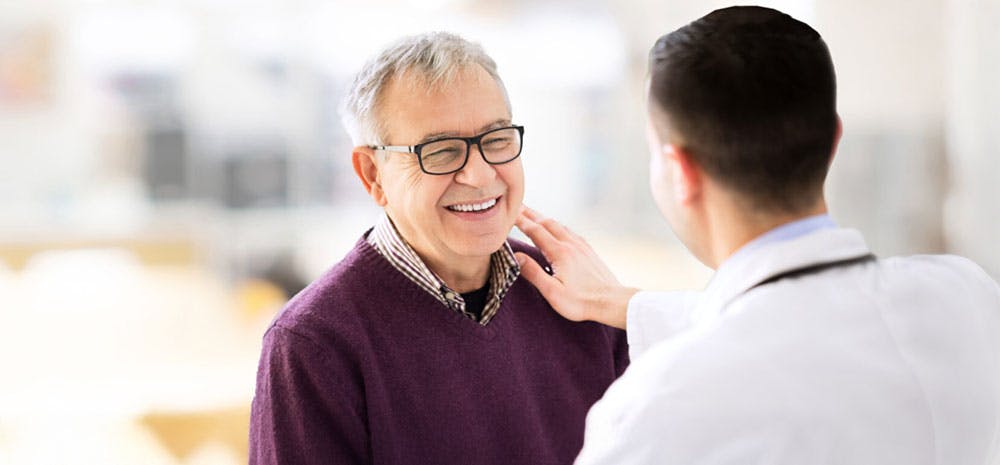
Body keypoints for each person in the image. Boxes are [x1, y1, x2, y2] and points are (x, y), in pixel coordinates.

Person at [515, 6, 1000, 464]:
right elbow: (804, 328)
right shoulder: (964, 295)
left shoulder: (658, 409)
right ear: (834, 140)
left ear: (679, 170)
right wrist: (624, 303)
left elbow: (771, 337)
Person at [248, 32, 628, 465]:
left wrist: (623, 310)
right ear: (372, 174)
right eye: (443, 151)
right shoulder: (314, 344)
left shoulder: (579, 295)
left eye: (497, 139)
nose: (480, 175)